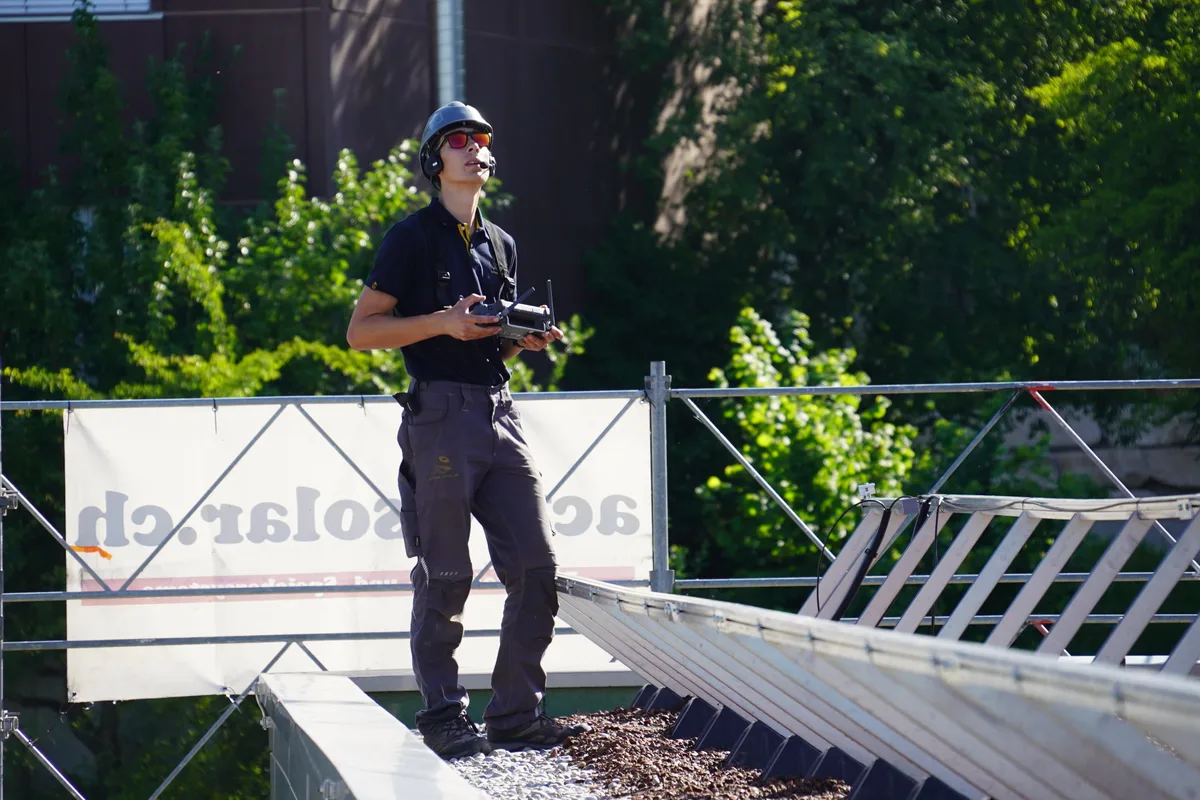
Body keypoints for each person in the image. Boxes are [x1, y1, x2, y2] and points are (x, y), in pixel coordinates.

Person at [345, 101, 588, 760]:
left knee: (538, 570)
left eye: (481, 138)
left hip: (499, 411)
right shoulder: (410, 238)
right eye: (458, 140)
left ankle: (515, 715)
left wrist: (523, 342)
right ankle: (444, 717)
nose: (474, 147)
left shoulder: (501, 243)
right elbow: (361, 332)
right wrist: (441, 323)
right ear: (435, 161)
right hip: (441, 416)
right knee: (447, 574)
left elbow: (488, 345)